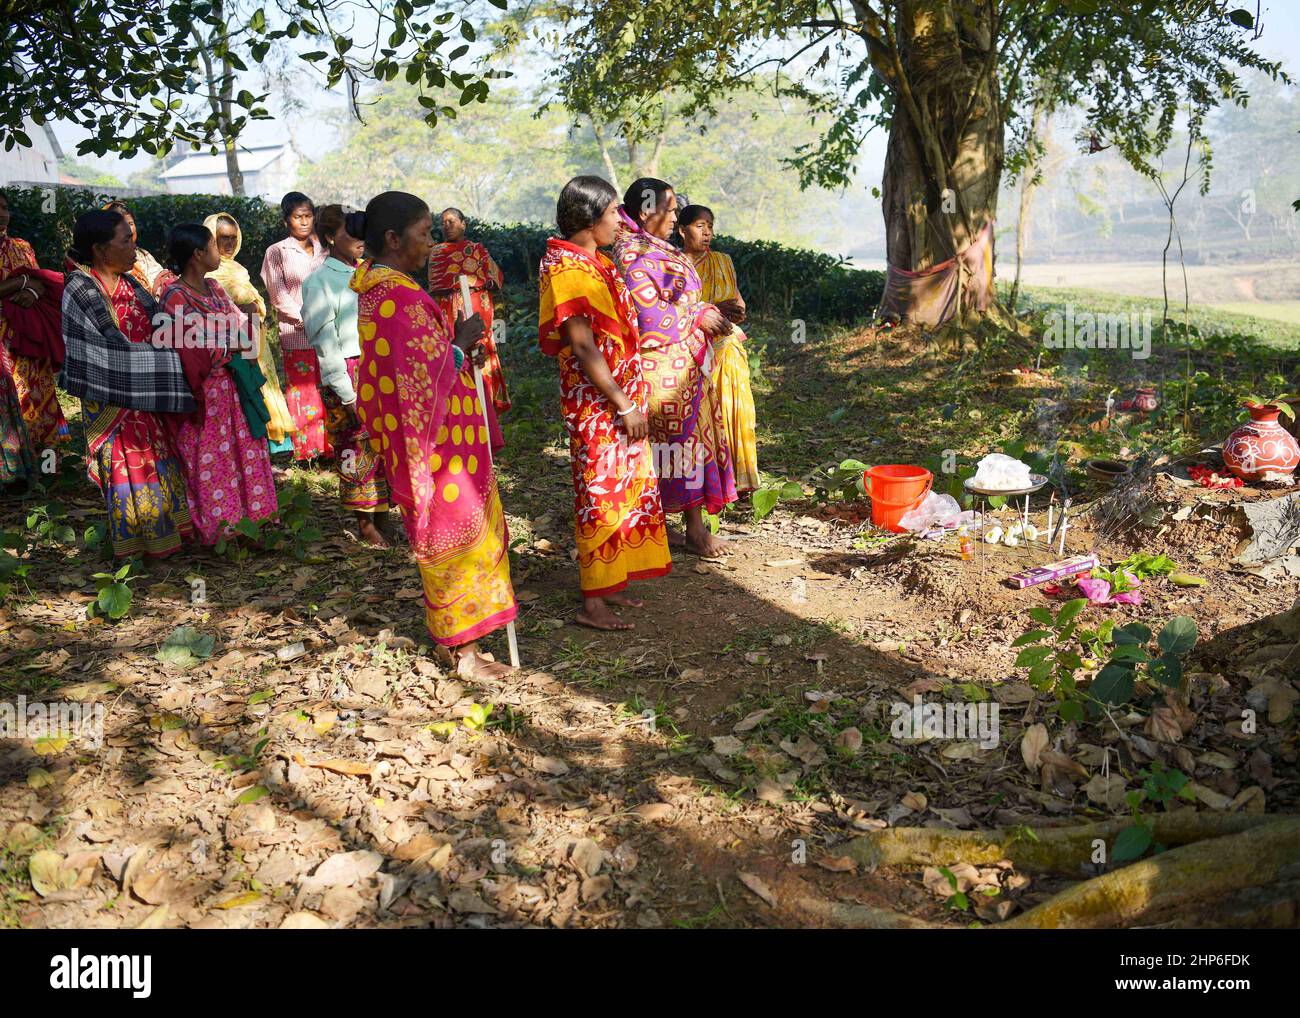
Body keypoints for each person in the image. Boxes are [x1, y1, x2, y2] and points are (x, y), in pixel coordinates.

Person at [347, 192, 516, 679]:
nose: (431, 244)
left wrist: (458, 354)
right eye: (424, 234)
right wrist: (460, 345)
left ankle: (467, 642)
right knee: (448, 534)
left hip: (435, 441)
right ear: (394, 239)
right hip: (435, 449)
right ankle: (463, 653)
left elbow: (416, 368)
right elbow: (423, 376)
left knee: (454, 530)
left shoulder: (381, 291)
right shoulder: (397, 297)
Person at [539, 176, 672, 631]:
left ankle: (611, 582)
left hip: (621, 395)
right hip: (597, 404)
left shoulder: (596, 261)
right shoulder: (566, 268)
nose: (622, 220)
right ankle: (592, 602)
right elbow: (583, 347)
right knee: (598, 494)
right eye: (614, 212)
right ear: (589, 218)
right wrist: (622, 404)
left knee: (625, 487)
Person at [612, 177, 736, 557]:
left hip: (685, 364)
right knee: (668, 449)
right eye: (670, 209)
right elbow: (649, 318)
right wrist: (698, 315)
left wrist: (707, 312)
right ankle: (665, 529)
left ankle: (691, 526)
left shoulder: (654, 247)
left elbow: (681, 298)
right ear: (647, 211)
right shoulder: (631, 254)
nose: (675, 215)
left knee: (688, 445)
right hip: (659, 368)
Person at [60, 209, 195, 557]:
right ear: (101, 249)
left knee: (159, 461)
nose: (135, 247)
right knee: (128, 468)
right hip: (113, 403)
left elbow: (162, 327)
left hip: (148, 400)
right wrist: (166, 363)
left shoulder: (132, 283)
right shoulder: (80, 288)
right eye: (126, 240)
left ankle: (172, 539)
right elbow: (105, 351)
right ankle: (139, 550)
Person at [159, 223, 277, 546]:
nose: (219, 251)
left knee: (243, 452)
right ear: (197, 254)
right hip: (203, 395)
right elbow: (187, 346)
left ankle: (250, 524)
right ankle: (218, 532)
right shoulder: (174, 296)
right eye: (212, 245)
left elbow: (243, 329)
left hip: (233, 390)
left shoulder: (215, 289)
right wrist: (231, 344)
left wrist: (229, 342)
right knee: (210, 458)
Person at [303, 205, 390, 547]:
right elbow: (326, 343)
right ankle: (366, 523)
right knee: (355, 446)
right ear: (329, 237)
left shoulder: (370, 272)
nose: (358, 239)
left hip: (376, 368)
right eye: (349, 232)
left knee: (384, 443)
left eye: (361, 232)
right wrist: (347, 392)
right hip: (348, 374)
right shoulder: (319, 282)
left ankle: (384, 514)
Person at [677, 204, 759, 494]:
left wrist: (730, 311)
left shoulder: (723, 261)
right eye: (700, 225)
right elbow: (671, 312)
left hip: (725, 346)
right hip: (689, 351)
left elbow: (739, 306)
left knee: (735, 410)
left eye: (710, 225)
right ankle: (708, 483)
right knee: (702, 419)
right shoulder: (672, 264)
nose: (708, 231)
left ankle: (740, 478)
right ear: (681, 230)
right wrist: (708, 310)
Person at [203, 211, 297, 456]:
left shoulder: (238, 269)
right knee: (244, 387)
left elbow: (255, 301)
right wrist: (244, 310)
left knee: (263, 381)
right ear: (210, 238)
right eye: (223, 237)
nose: (230, 243)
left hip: (255, 335)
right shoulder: (208, 272)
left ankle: (271, 441)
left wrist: (254, 309)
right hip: (234, 342)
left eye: (234, 237)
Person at [427, 207, 510, 438]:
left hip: (478, 306)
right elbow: (436, 283)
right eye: (443, 222)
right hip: (448, 312)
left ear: (463, 224)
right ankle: (461, 416)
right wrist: (463, 281)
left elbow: (495, 276)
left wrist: (483, 282)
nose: (447, 225)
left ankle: (487, 416)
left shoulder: (477, 249)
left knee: (481, 355)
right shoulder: (436, 252)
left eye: (452, 221)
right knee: (456, 354)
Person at [261, 191, 328, 462]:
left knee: (330, 385)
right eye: (297, 217)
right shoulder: (276, 252)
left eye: (308, 216)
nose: (304, 222)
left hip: (328, 333)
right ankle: (309, 451)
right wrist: (305, 318)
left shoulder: (326, 248)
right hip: (297, 334)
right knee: (303, 389)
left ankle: (332, 447)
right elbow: (278, 295)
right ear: (286, 220)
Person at [0, 189, 68, 457]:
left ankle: (42, 458)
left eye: (5, 208)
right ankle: (12, 467)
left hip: (27, 333)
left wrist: (31, 289)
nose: (2, 215)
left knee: (33, 390)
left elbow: (40, 280)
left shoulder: (21, 246)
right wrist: (20, 282)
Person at [102, 200, 169, 294]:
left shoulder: (143, 255)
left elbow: (164, 279)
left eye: (130, 224)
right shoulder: (111, 260)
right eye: (122, 225)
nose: (128, 230)